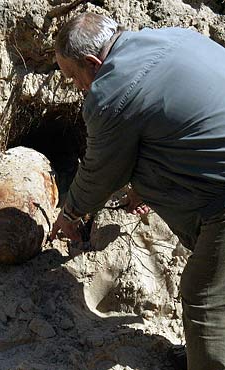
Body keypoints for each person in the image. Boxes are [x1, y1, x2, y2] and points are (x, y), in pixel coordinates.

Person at [50, 12, 225, 370]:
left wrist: (71, 212)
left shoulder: (110, 93)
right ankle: (202, 353)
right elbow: (182, 123)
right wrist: (148, 183)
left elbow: (101, 172)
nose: (78, 88)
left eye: (73, 77)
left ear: (91, 63)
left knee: (203, 294)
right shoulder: (177, 38)